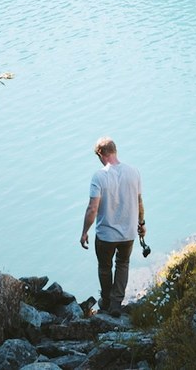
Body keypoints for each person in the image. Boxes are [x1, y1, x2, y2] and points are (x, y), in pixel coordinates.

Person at [79, 136, 145, 318]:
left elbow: (92, 208)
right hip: (128, 233)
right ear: (114, 151)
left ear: (101, 154)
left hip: (106, 235)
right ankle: (116, 303)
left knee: (105, 267)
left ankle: (106, 301)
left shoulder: (99, 176)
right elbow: (139, 202)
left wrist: (84, 232)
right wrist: (141, 223)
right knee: (123, 264)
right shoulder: (134, 172)